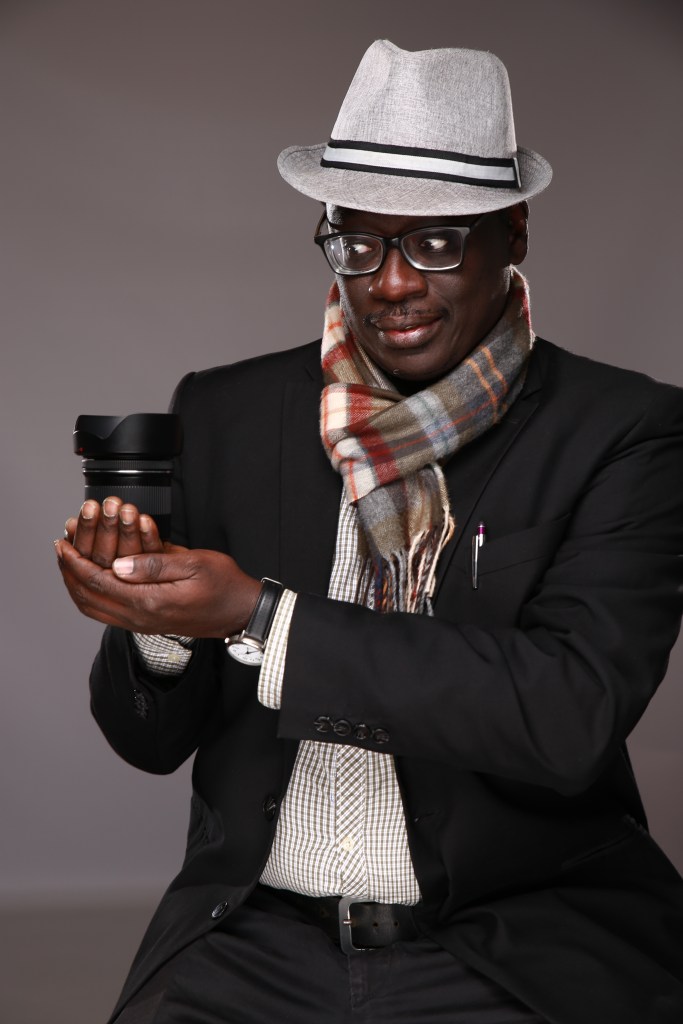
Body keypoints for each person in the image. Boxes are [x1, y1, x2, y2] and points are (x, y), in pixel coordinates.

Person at [55, 40, 683, 1024]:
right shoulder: (224, 413)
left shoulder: (620, 431)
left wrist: (261, 617)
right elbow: (147, 741)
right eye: (357, 242)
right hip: (257, 943)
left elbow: (568, 717)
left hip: (506, 947)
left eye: (434, 242)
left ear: (513, 232)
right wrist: (155, 623)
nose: (389, 283)